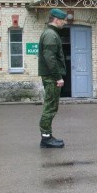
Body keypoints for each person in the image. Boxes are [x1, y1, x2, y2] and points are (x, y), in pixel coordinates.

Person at [38, 8, 67, 148]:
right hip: (51, 78)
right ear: (56, 19)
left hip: (51, 77)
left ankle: (47, 135)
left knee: (51, 106)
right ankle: (46, 138)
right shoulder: (50, 35)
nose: (65, 22)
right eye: (63, 20)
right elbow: (50, 58)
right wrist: (58, 77)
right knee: (50, 107)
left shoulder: (51, 33)